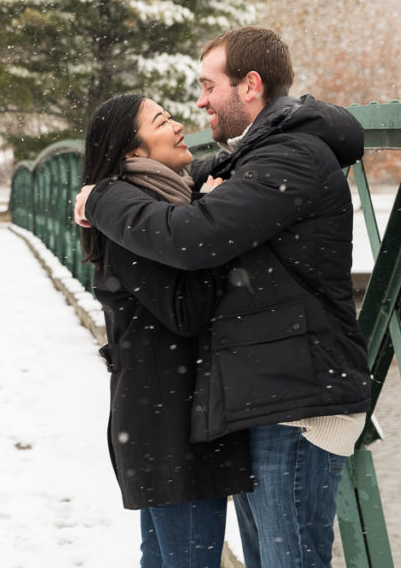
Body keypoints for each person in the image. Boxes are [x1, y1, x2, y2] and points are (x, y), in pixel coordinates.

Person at [75, 27, 371, 568]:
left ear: (250, 85)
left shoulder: (290, 157)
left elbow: (194, 236)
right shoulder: (261, 152)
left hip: (298, 405)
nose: (199, 101)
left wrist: (103, 196)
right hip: (270, 398)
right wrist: (112, 184)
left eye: (209, 85)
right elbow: (194, 183)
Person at [80, 93, 252, 568]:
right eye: (162, 120)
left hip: (160, 424)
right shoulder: (135, 217)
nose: (178, 125)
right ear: (133, 151)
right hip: (171, 431)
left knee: (164, 559)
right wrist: (217, 225)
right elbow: (186, 311)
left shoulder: (155, 203)